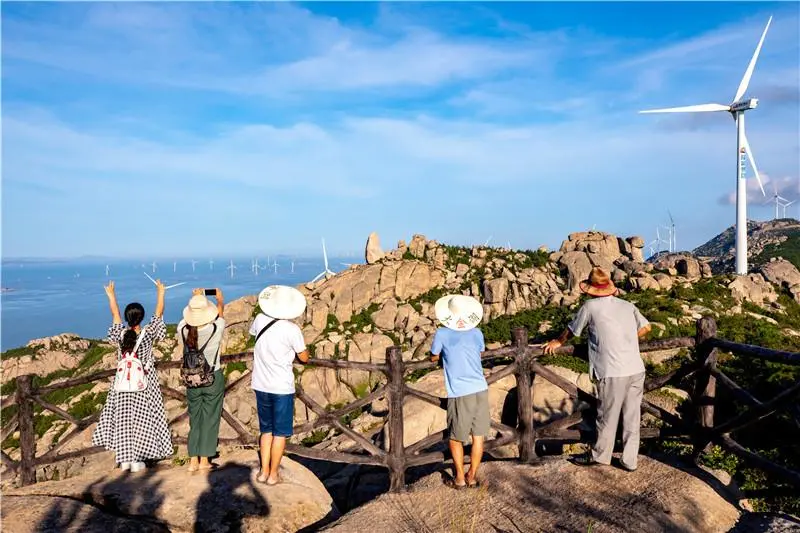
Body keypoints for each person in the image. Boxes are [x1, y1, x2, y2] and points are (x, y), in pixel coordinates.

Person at [544, 266, 651, 471]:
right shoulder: (627, 305)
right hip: (636, 368)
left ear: (591, 289)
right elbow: (646, 328)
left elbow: (572, 330)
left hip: (612, 370)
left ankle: (601, 456)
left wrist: (558, 341)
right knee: (632, 416)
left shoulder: (590, 306)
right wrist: (627, 341)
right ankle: (630, 460)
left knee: (607, 416)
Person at [92, 280, 173, 472]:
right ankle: (137, 459)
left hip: (121, 386)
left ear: (128, 318)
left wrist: (111, 295)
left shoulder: (120, 334)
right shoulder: (148, 333)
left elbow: (115, 314)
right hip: (144, 384)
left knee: (124, 420)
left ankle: (125, 459)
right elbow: (159, 313)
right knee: (142, 420)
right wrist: (161, 292)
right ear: (141, 317)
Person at [248, 285, 309, 485]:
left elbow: (253, 334)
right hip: (281, 387)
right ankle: (273, 475)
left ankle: (262, 472)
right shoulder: (292, 330)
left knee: (266, 431)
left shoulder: (259, 319)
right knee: (280, 433)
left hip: (260, 383)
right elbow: (304, 357)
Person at [430, 294, 489, 489]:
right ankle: (472, 476)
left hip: (460, 391)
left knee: (456, 438)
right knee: (478, 436)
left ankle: (460, 478)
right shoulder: (477, 332)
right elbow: (479, 352)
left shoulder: (442, 334)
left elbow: (433, 356)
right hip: (480, 388)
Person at [178, 288, 226, 473]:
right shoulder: (216, 327)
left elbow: (188, 320)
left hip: (191, 380)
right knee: (210, 418)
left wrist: (196, 299)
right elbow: (219, 316)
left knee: (195, 418)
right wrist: (219, 301)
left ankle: (192, 461)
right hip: (212, 378)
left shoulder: (183, 329)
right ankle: (205, 460)